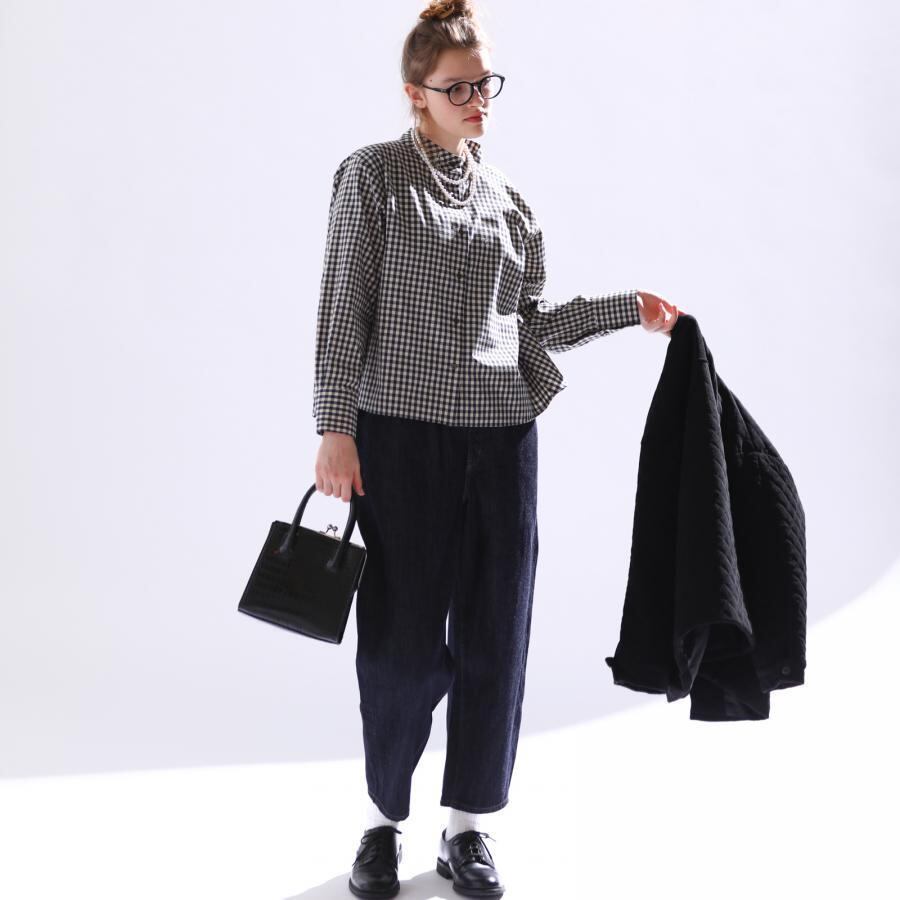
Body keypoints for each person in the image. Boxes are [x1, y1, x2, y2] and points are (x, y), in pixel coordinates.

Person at [311, 2, 681, 896]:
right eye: (458, 87)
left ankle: (467, 828)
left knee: (495, 636)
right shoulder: (371, 177)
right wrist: (335, 426)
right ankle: (382, 822)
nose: (478, 100)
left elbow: (528, 328)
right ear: (415, 93)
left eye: (485, 84)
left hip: (502, 443)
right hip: (400, 440)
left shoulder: (511, 202)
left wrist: (625, 310)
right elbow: (343, 305)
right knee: (401, 643)